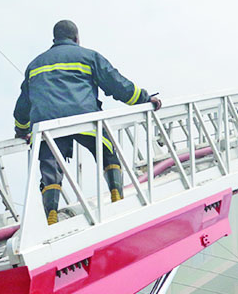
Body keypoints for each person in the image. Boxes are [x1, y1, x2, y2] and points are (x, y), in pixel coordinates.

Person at [14, 20, 161, 224]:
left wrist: (21, 131)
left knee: (50, 168)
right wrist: (144, 99)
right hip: (85, 119)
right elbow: (117, 84)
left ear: (54, 39)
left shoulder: (34, 65)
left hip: (48, 126)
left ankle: (51, 213)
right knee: (107, 151)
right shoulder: (89, 57)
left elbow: (23, 106)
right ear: (76, 38)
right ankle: (116, 193)